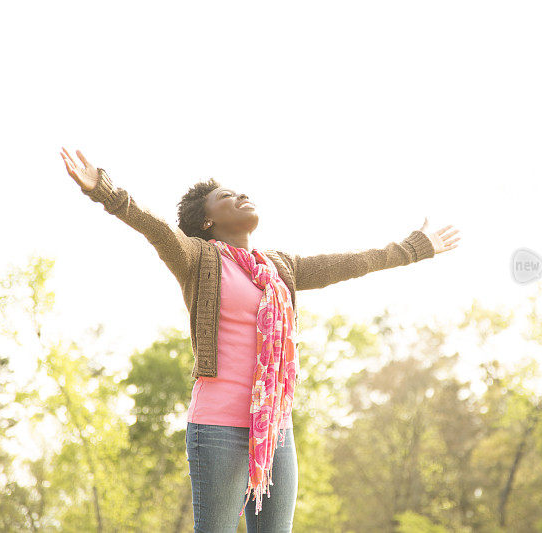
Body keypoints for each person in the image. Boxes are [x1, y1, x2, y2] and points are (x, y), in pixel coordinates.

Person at [60, 147, 461, 532]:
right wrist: (104, 191)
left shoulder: (280, 267)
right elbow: (155, 227)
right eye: (226, 196)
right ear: (206, 221)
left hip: (274, 430)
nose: (241, 196)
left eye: (241, 192)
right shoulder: (197, 258)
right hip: (217, 427)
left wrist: (413, 248)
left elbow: (351, 263)